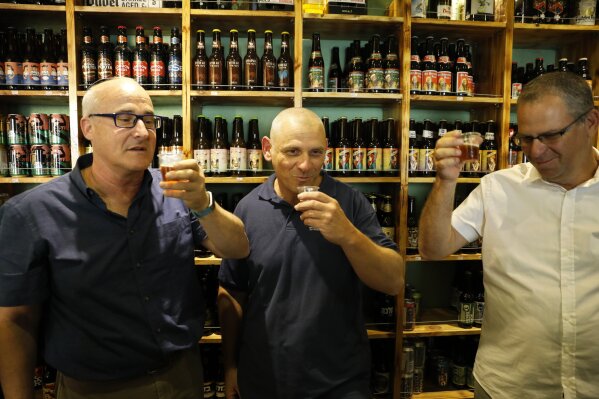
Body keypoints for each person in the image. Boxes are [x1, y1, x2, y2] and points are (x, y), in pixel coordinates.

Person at [0, 77, 249, 399]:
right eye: (125, 119)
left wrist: (204, 204)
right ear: (87, 128)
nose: (143, 132)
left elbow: (237, 247)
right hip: (91, 387)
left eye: (149, 120)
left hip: (182, 376)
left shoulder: (176, 191)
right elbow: (15, 319)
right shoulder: (30, 212)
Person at [418, 72, 599, 399]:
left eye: (551, 135)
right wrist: (445, 181)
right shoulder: (497, 188)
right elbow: (433, 248)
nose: (537, 151)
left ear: (590, 122)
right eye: (526, 139)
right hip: (509, 385)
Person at [218, 107, 403, 399]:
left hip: (340, 382)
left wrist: (347, 234)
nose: (305, 165)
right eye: (292, 152)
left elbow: (393, 280)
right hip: (263, 378)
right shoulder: (248, 208)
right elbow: (232, 293)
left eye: (315, 153)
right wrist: (230, 366)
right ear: (267, 149)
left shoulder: (350, 202)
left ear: (327, 152)